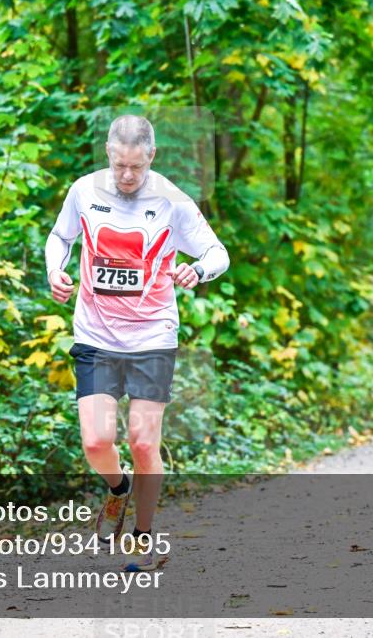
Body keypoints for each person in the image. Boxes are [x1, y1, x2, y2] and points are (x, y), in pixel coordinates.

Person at [45, 115, 229, 572]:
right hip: (96, 334)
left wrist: (198, 270)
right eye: (120, 165)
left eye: (137, 167)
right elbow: (59, 237)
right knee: (96, 441)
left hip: (152, 335)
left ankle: (144, 537)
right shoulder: (84, 190)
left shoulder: (171, 199)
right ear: (109, 151)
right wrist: (55, 271)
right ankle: (117, 488)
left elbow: (216, 252)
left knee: (144, 442)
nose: (128, 176)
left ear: (152, 157)